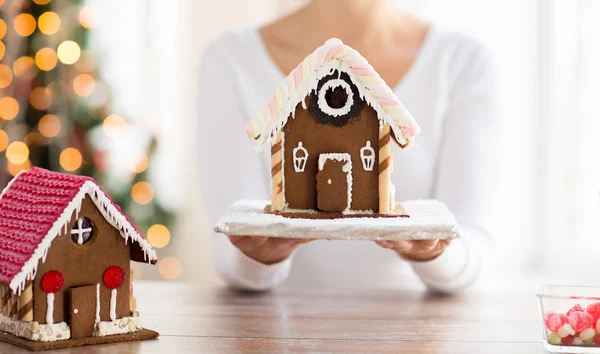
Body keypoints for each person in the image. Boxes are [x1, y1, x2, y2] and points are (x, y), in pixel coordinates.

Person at [197, 0, 499, 293]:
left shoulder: (462, 61)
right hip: (273, 331)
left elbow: (473, 248)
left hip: (418, 333)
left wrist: (431, 249)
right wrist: (258, 256)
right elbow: (228, 245)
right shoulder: (230, 59)